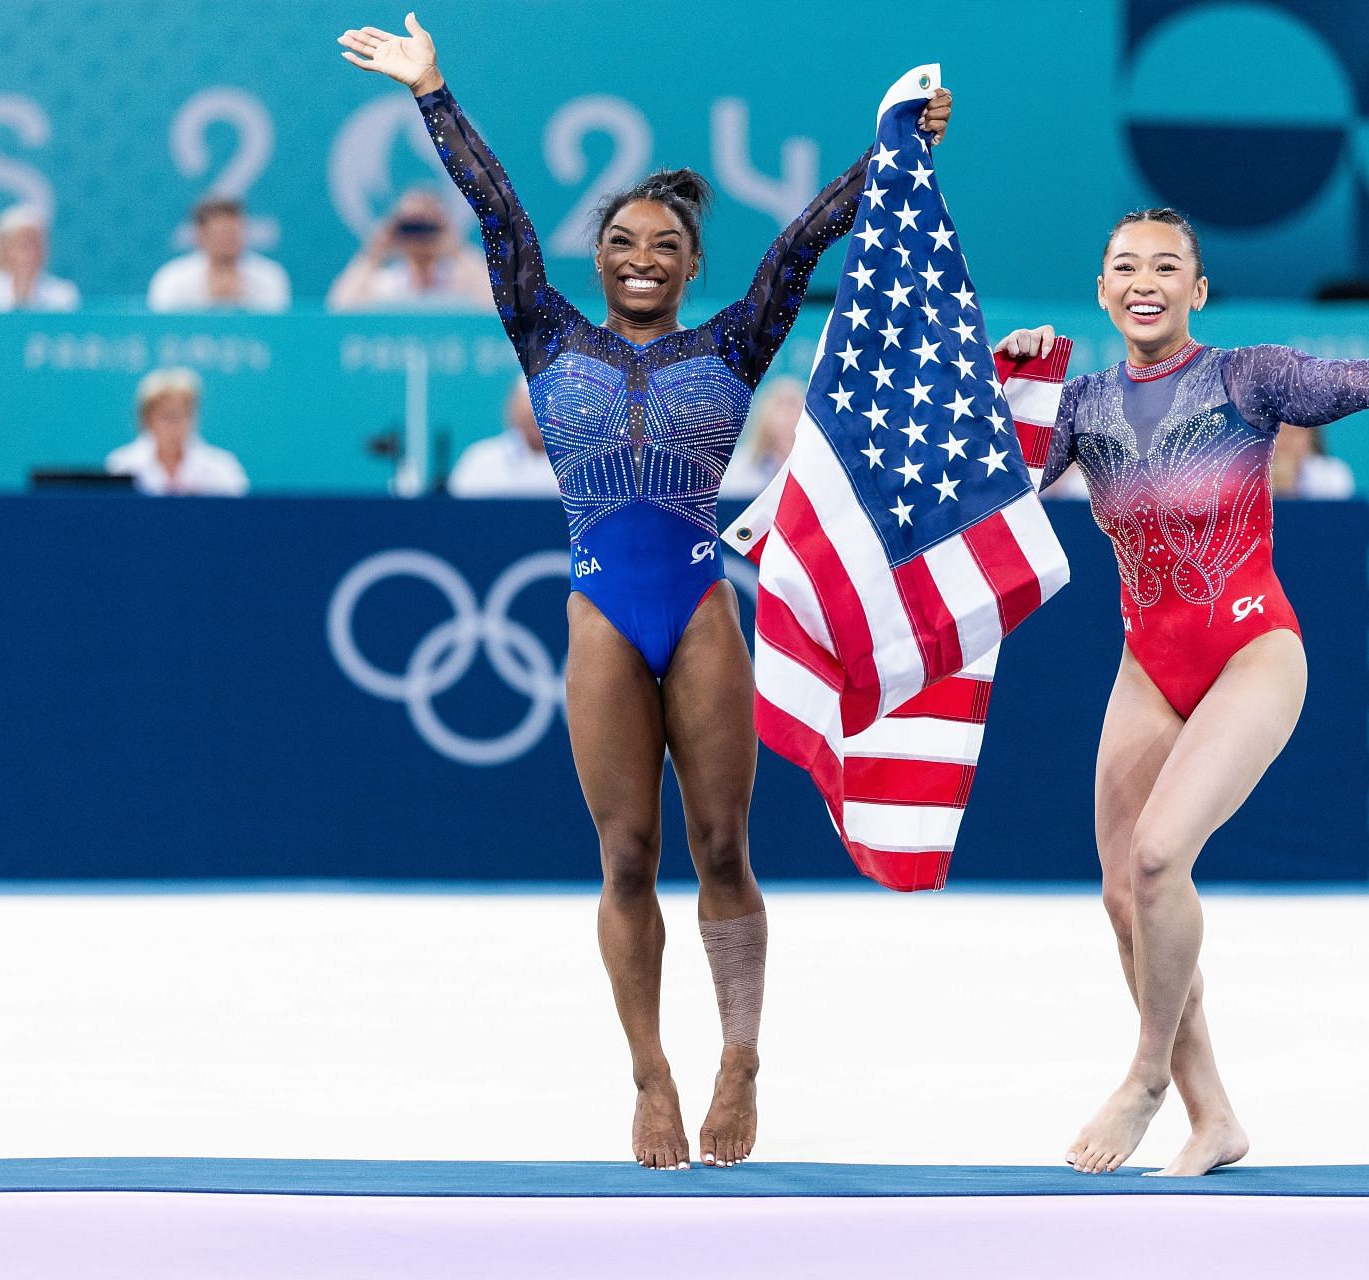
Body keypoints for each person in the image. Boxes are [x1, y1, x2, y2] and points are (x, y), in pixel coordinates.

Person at [339, 13, 950, 1171]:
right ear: (599, 252)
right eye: (623, 237)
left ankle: (739, 1055)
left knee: (723, 846)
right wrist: (432, 93)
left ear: (690, 266)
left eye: (665, 241)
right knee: (627, 856)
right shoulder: (545, 330)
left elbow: (810, 240)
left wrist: (900, 146)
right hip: (600, 620)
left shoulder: (731, 345)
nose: (641, 254)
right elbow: (497, 209)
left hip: (706, 610)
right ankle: (650, 1070)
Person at [997, 208, 1369, 1178]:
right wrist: (1013, 383)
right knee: (1126, 897)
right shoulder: (1078, 406)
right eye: (1125, 265)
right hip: (1148, 661)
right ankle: (1215, 1117)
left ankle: (1147, 1075)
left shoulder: (1249, 376)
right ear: (1104, 289)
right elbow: (989, 494)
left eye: (1168, 265)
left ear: (1198, 291)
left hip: (1253, 649)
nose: (1144, 279)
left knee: (1158, 859)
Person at [327, 188, 495, 312]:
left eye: (427, 226)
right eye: (410, 226)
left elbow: (498, 308)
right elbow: (340, 310)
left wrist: (458, 250)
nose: (419, 234)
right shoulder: (386, 285)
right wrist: (375, 253)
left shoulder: (464, 283)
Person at [105, 367, 249, 496]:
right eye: (168, 416)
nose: (179, 424)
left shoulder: (222, 468)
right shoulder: (122, 466)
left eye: (186, 415)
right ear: (147, 419)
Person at [147, 197, 291, 313]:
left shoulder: (269, 276)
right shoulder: (172, 279)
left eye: (233, 233)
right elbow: (163, 332)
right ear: (199, 235)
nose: (227, 241)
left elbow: (277, 331)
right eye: (220, 234)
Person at [448, 378, 558, 496]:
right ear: (513, 411)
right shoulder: (481, 461)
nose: (536, 427)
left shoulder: (579, 464)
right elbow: (455, 511)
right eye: (529, 418)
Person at [0, 205, 80, 312]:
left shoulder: (63, 294)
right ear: (5, 249)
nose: (32, 251)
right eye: (24, 243)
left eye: (38, 244)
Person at [719, 378, 802, 498]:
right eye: (780, 407)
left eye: (793, 407)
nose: (787, 416)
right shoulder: (741, 464)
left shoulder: (811, 465)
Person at [1268, 423, 1353, 498]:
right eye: (1279, 432)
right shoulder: (1255, 473)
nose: (1286, 441)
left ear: (1311, 437)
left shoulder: (1333, 473)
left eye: (1295, 433)